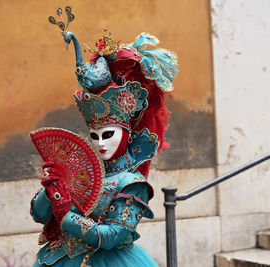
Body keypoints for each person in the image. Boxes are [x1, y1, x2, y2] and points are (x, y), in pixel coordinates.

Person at [30, 30, 178, 267]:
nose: (100, 143)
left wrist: (66, 216)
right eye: (94, 136)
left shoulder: (132, 183)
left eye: (108, 135)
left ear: (126, 134)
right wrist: (50, 189)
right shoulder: (78, 171)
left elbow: (111, 237)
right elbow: (39, 216)